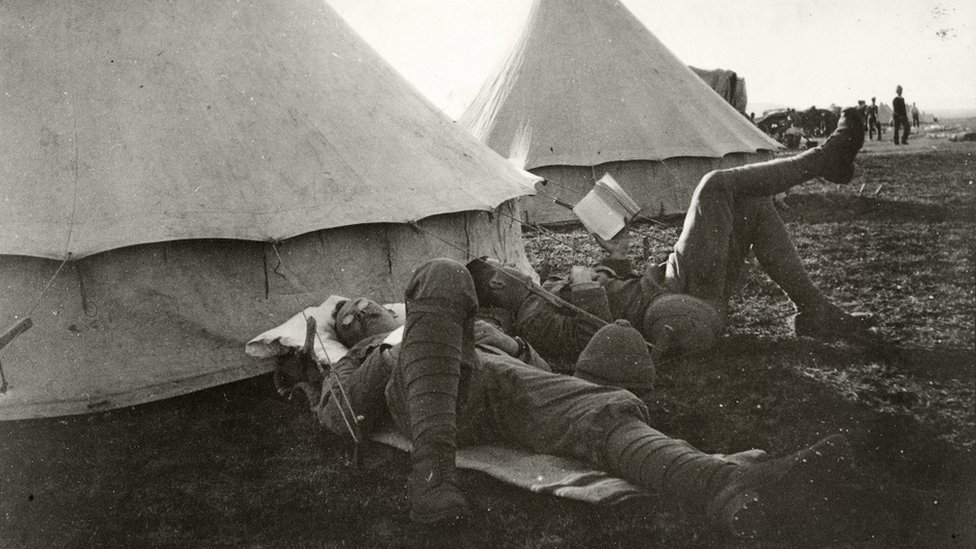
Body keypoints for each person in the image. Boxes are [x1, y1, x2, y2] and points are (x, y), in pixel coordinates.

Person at [274, 258, 854, 539]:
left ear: (390, 306)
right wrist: (382, 351)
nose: (360, 313)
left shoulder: (468, 326)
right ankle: (432, 479)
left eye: (365, 306)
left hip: (497, 385)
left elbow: (533, 363)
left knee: (589, 407)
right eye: (347, 319)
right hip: (420, 399)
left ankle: (718, 483)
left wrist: (498, 340)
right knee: (442, 270)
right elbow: (340, 415)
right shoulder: (366, 354)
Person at [470, 107, 880, 362]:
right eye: (501, 266)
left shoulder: (543, 288)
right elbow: (593, 338)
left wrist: (615, 253)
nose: (510, 266)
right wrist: (584, 285)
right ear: (496, 284)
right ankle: (824, 158)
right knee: (715, 186)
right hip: (673, 294)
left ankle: (814, 310)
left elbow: (620, 287)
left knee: (753, 204)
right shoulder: (533, 316)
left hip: (666, 280)